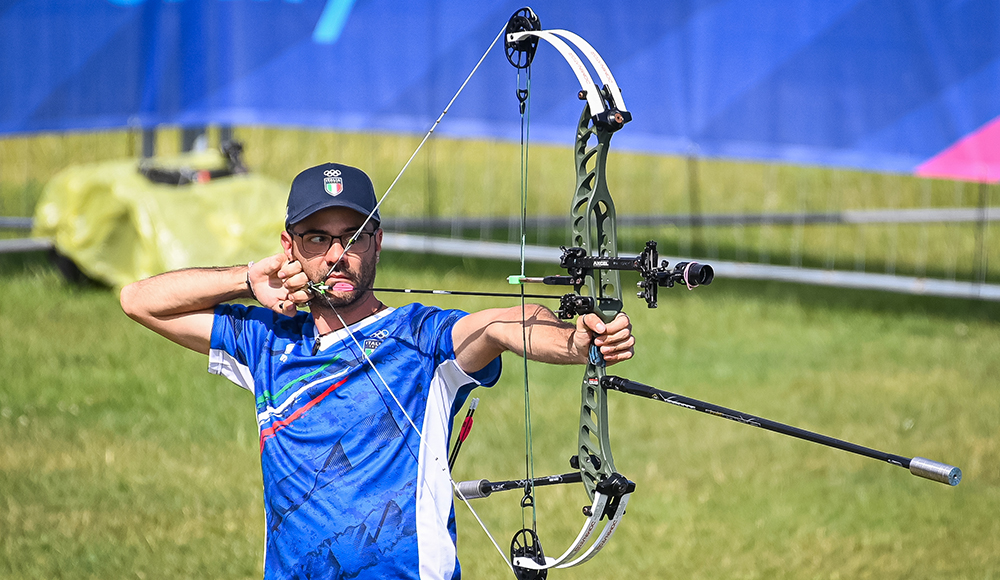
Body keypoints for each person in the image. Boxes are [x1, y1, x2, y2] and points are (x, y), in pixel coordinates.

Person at [119, 162, 634, 580]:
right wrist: (245, 278)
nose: (338, 256)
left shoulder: (420, 338)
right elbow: (139, 300)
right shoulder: (266, 339)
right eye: (318, 238)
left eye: (355, 236)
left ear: (378, 243)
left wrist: (574, 340)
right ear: (289, 247)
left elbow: (505, 324)